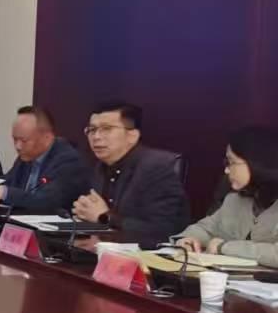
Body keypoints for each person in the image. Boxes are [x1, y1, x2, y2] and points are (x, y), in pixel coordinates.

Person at [175, 127, 278, 274]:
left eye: (231, 162)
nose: (226, 170)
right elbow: (205, 229)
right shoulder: (236, 200)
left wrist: (224, 247)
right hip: (244, 285)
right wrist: (187, 240)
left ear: (258, 163)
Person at [71, 100, 191, 248]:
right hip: (104, 251)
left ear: (132, 136)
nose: (96, 136)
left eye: (106, 129)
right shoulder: (98, 167)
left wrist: (104, 217)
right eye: (92, 129)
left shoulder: (156, 168)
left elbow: (163, 231)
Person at [0, 106, 92, 216]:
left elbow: (48, 200)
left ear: (47, 137)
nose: (18, 146)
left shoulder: (68, 160)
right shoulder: (27, 156)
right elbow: (9, 182)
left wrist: (5, 192)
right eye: (15, 139)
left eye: (24, 140)